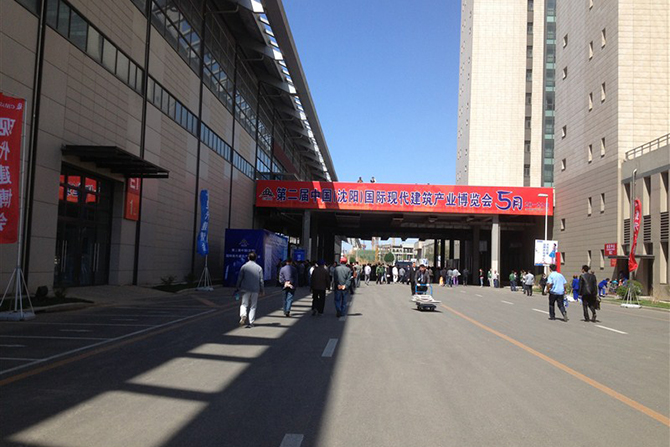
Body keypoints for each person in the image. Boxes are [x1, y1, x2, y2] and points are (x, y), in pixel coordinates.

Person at [236, 252, 264, 328]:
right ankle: (251, 322)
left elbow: (240, 278)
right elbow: (261, 280)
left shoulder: (244, 267)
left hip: (245, 288)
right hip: (255, 289)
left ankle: (243, 315)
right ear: (256, 258)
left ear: (248, 258)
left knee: (244, 304)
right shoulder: (259, 268)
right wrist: (262, 290)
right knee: (253, 306)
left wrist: (237, 287)